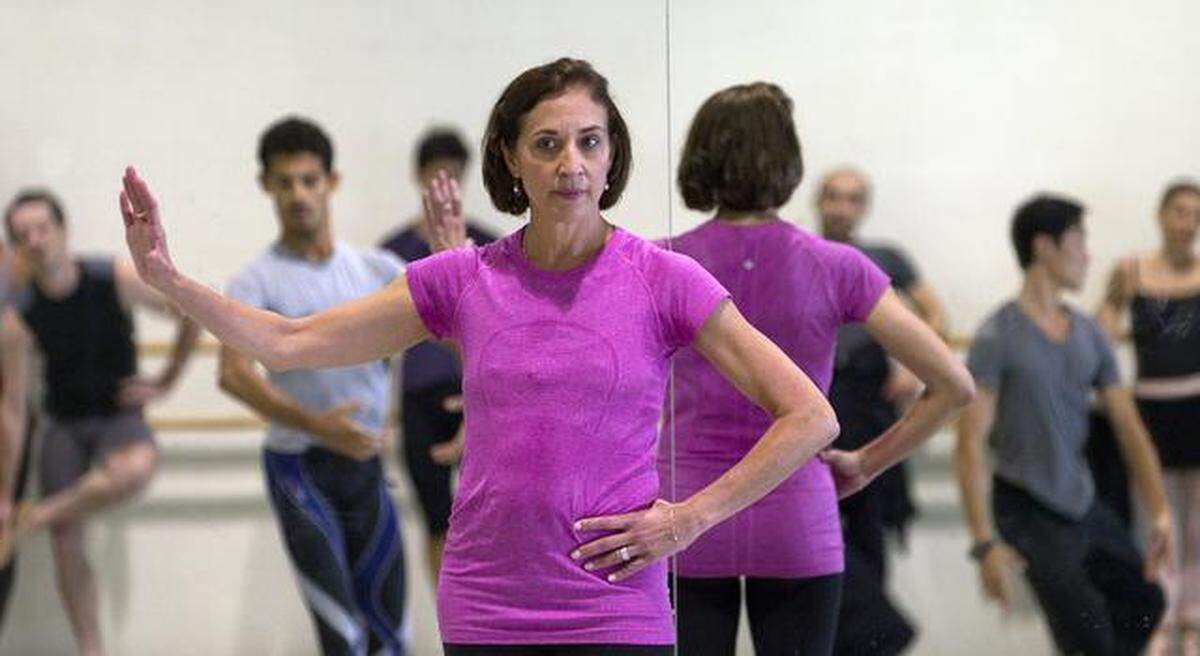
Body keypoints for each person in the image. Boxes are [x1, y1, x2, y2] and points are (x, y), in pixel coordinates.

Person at [117, 57, 840, 654]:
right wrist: (169, 281)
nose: (572, 165)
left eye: (590, 142)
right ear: (510, 157)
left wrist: (689, 518)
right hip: (488, 603)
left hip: (617, 606)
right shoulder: (463, 279)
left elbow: (809, 416)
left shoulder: (664, 280)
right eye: (548, 144)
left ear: (612, 153)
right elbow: (290, 339)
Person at [661, 82, 973, 656]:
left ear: (700, 155)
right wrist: (866, 463)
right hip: (797, 516)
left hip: (687, 515)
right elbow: (954, 385)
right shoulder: (836, 265)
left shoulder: (662, 262)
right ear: (789, 161)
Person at [217, 117, 408, 655]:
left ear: (332, 182)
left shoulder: (376, 270)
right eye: (285, 182)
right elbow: (233, 374)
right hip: (300, 470)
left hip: (367, 469)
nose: (299, 194)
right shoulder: (255, 282)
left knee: (390, 636)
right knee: (342, 637)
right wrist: (317, 426)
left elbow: (456, 334)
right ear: (266, 187)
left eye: (309, 180)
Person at [957, 193, 1172, 656]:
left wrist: (1160, 513)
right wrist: (984, 545)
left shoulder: (1091, 334)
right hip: (1025, 504)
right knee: (1086, 630)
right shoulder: (998, 336)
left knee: (1145, 600)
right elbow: (970, 443)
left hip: (1081, 499)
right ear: (1044, 247)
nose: (1088, 254)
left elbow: (1130, 427)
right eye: (1078, 240)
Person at [0, 188, 199, 656]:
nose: (35, 240)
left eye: (42, 228)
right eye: (22, 234)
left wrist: (167, 380)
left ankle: (40, 515)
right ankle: (91, 649)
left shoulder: (112, 278)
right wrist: (4, 497)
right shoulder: (18, 319)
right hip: (63, 425)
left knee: (134, 470)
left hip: (117, 417)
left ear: (63, 231)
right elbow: (11, 411)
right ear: (15, 246)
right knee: (66, 539)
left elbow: (189, 312)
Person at [378, 127, 495, 586]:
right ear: (419, 176)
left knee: (486, 523)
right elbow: (377, 340)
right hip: (418, 397)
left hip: (479, 396)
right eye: (436, 175)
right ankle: (453, 626)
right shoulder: (392, 252)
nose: (445, 184)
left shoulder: (488, 246)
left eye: (454, 175)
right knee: (436, 521)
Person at [1097, 180, 1200, 655]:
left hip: (1196, 401)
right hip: (1151, 406)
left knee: (1197, 522)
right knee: (1157, 519)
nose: (1187, 223)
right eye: (1179, 212)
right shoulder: (1132, 270)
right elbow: (1101, 328)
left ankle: (1193, 617)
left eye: (1195, 215)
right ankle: (1159, 612)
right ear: (1161, 216)